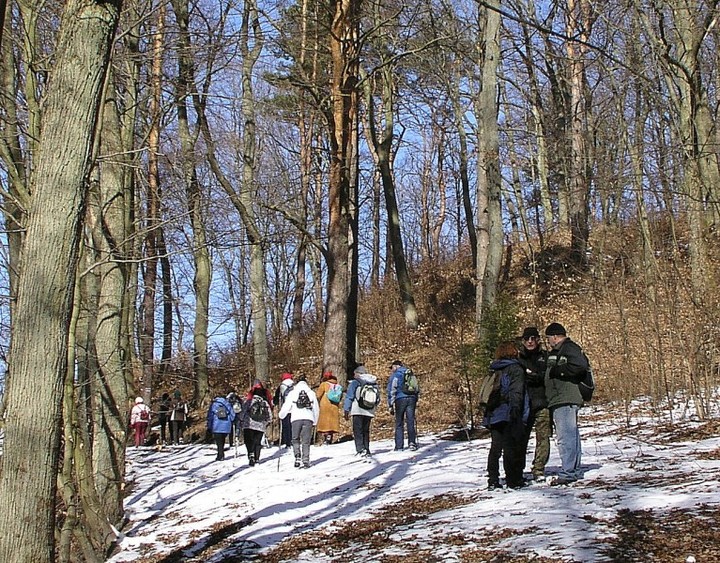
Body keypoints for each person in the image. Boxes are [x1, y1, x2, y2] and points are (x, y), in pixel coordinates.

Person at [544, 322, 590, 485]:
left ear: (555, 337)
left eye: (548, 337)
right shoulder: (560, 350)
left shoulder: (569, 348)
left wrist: (559, 371)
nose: (548, 341)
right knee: (571, 436)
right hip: (561, 399)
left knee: (565, 437)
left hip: (565, 398)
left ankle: (568, 472)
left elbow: (580, 366)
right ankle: (574, 469)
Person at [482, 341, 530, 490]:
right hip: (508, 412)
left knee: (495, 447)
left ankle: (493, 479)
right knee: (510, 446)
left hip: (493, 412)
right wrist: (517, 412)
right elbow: (516, 392)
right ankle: (512, 480)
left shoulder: (494, 368)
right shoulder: (515, 368)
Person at [518, 327, 550, 482]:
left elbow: (547, 377)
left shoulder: (545, 357)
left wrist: (534, 376)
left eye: (532, 338)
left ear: (538, 340)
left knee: (543, 438)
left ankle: (539, 469)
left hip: (542, 403)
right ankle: (518, 469)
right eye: (526, 339)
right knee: (520, 439)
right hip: (524, 405)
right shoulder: (518, 358)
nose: (530, 342)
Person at [279, 374, 319, 468]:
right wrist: (315, 420)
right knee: (306, 441)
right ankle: (306, 460)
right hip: (308, 418)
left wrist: (281, 415)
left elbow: (286, 406)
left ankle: (297, 456)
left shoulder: (293, 392)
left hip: (296, 418)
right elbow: (316, 408)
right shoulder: (311, 393)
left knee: (295, 439)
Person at [343, 365, 380, 458]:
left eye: (355, 373)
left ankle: (360, 449)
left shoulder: (355, 383)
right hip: (369, 411)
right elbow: (378, 399)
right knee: (366, 430)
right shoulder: (373, 383)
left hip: (358, 410)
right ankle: (367, 449)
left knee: (358, 430)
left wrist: (346, 409)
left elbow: (349, 396)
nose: (354, 375)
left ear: (358, 374)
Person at [386, 360, 419, 451]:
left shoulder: (395, 375)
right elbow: (416, 387)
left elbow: (391, 390)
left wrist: (390, 404)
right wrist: (416, 399)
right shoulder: (410, 373)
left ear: (396, 366)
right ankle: (412, 443)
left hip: (400, 399)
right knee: (410, 421)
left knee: (399, 422)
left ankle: (399, 446)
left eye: (392, 367)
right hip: (411, 399)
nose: (392, 370)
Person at [239, 380, 273, 466]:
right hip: (260, 425)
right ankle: (257, 458)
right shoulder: (265, 403)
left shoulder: (249, 401)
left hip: (248, 424)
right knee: (257, 442)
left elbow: (243, 412)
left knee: (249, 440)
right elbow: (269, 415)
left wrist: (241, 419)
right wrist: (267, 422)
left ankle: (251, 454)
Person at [207, 394, 235, 461]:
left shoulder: (214, 405)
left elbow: (210, 416)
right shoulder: (227, 404)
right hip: (226, 426)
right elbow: (233, 415)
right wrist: (231, 421)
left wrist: (209, 426)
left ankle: (220, 455)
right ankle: (221, 454)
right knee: (222, 440)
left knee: (218, 441)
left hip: (216, 425)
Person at [315, 371, 341, 445]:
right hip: (334, 406)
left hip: (325, 406)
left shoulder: (324, 384)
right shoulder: (337, 385)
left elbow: (318, 395)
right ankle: (330, 438)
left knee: (325, 424)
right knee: (331, 424)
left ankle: (326, 439)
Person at [274, 372, 295, 448]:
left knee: (286, 426)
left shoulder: (282, 386)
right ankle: (294, 440)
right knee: (293, 425)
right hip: (295, 409)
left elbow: (276, 399)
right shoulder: (295, 385)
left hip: (285, 408)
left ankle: (287, 442)